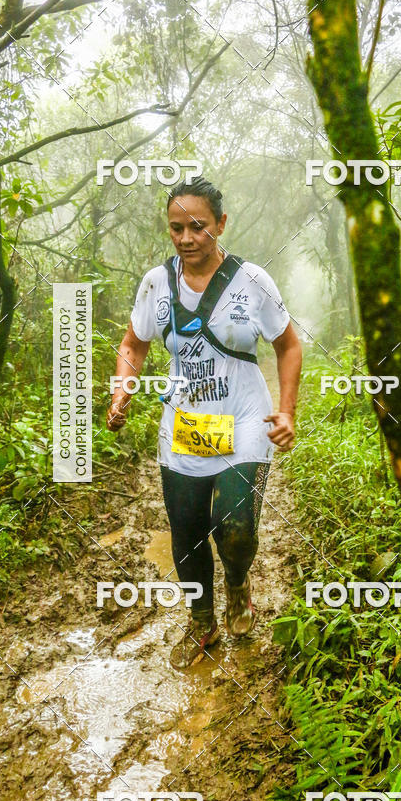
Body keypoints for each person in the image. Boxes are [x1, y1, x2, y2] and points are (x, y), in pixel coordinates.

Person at [106, 177, 302, 669]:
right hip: (185, 425)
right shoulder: (156, 283)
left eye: (198, 226)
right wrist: (122, 389)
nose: (187, 238)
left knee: (233, 526)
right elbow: (132, 344)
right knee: (187, 531)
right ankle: (202, 623)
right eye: (177, 228)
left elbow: (288, 345)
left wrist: (287, 410)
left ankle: (237, 583)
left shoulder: (252, 280)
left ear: (221, 224)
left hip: (245, 420)